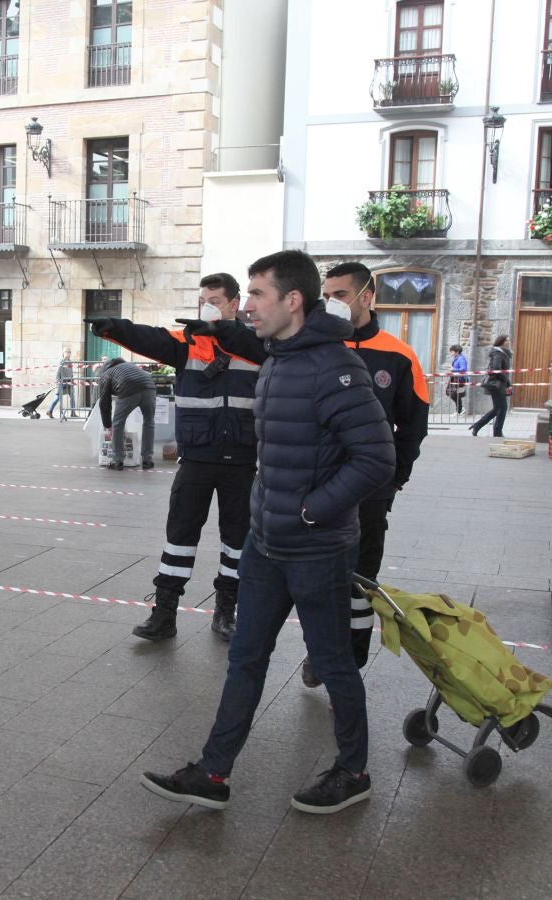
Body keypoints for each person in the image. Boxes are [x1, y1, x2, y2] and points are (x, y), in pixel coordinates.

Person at [140, 249, 394, 816]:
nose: (247, 306)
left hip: (315, 546)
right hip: (266, 541)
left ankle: (353, 771)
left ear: (292, 301)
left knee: (332, 664)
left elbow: (376, 458)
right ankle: (213, 772)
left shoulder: (335, 366)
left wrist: (310, 512)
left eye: (257, 295)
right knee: (245, 658)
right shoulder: (279, 356)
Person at [85, 272, 263, 642]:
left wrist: (226, 334)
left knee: (237, 541)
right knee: (179, 537)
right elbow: (149, 336)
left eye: (215, 301)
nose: (207, 307)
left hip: (241, 460)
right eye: (203, 301)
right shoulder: (187, 343)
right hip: (197, 459)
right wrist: (112, 328)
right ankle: (164, 612)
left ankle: (226, 610)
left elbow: (270, 352)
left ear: (234, 304)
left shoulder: (255, 344)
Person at [295, 261, 428, 689]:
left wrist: (394, 478)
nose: (330, 303)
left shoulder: (399, 354)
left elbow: (414, 424)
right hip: (318, 485)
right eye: (326, 295)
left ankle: (350, 663)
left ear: (366, 297)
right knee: (318, 575)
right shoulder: (308, 347)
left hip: (369, 490)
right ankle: (319, 652)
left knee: (359, 578)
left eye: (339, 294)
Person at [95, 356, 157, 471]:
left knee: (118, 423)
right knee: (149, 422)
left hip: (128, 388)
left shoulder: (106, 373)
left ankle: (117, 461)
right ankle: (147, 460)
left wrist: (107, 424)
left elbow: (104, 402)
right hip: (149, 387)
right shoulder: (130, 366)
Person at [471, 335, 513, 437]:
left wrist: (507, 382)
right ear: (502, 342)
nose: (509, 342)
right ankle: (497, 432)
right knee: (502, 408)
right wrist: (507, 382)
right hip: (496, 385)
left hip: (500, 384)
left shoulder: (502, 353)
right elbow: (496, 369)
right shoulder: (498, 353)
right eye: (507, 340)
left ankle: (477, 426)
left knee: (497, 409)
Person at [45, 348, 75, 419]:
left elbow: (71, 372)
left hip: (69, 382)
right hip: (62, 382)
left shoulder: (70, 361)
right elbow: (58, 373)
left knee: (72, 397)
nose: (68, 354)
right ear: (63, 353)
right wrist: (59, 381)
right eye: (66, 352)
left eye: (69, 352)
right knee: (58, 398)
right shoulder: (61, 361)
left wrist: (72, 380)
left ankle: (73, 412)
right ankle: (50, 411)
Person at [447, 343, 469, 414]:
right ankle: (460, 409)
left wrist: (453, 369)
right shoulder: (457, 358)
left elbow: (463, 369)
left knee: (454, 393)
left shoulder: (461, 359)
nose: (451, 353)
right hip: (455, 378)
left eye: (452, 352)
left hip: (460, 379)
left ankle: (460, 409)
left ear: (457, 352)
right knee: (451, 393)